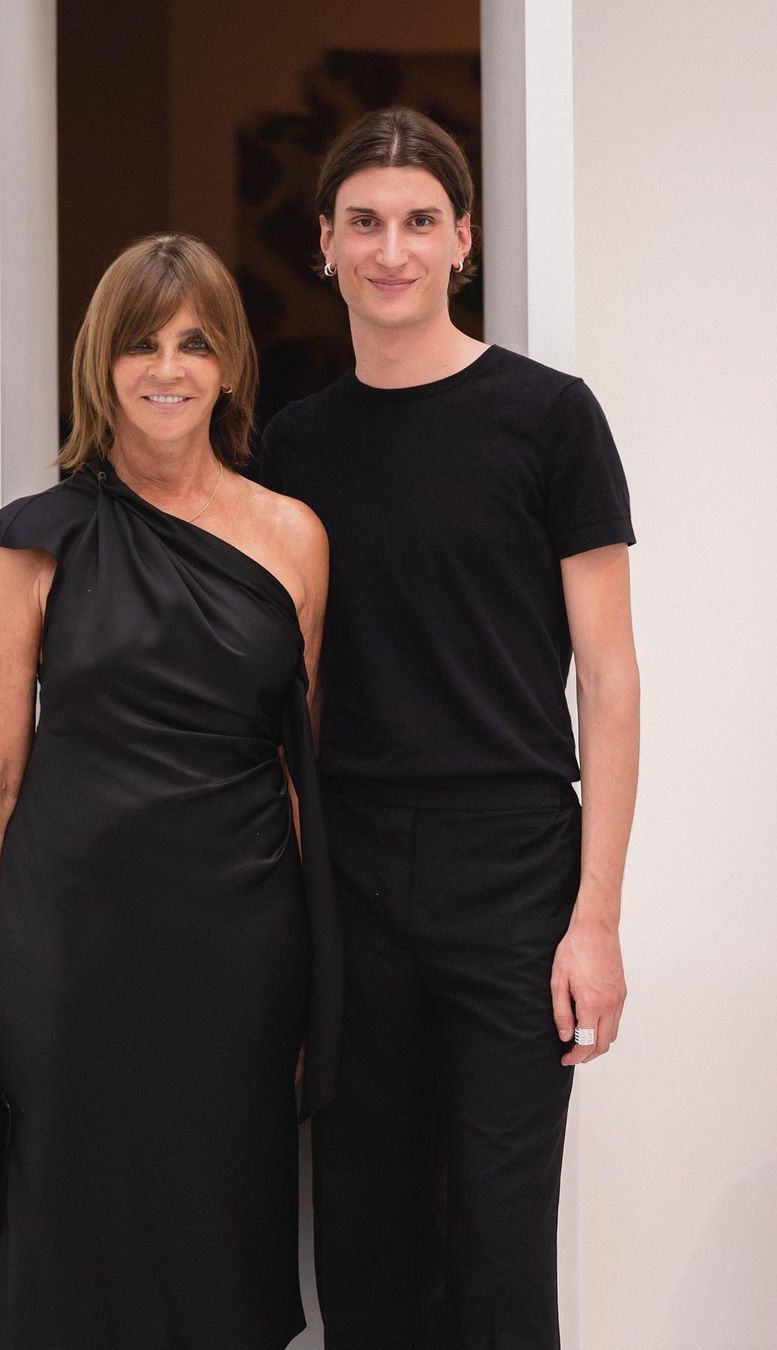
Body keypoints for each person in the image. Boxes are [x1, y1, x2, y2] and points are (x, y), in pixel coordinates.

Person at [260, 107, 639, 1349]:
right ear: (325, 242)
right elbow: (282, 688)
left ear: (463, 239)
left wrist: (595, 919)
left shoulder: (550, 418)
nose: (393, 250)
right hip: (351, 866)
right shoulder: (292, 448)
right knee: (363, 1240)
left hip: (513, 864)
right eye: (365, 222)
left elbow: (610, 679)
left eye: (420, 221)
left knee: (498, 1242)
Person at [0, 233, 340, 1350]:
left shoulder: (294, 538)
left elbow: (299, 773)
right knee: (68, 1253)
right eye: (141, 344)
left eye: (195, 343)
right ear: (99, 364)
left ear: (231, 365)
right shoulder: (31, 545)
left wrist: (319, 987)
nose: (168, 369)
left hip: (240, 956)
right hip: (73, 953)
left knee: (218, 1246)